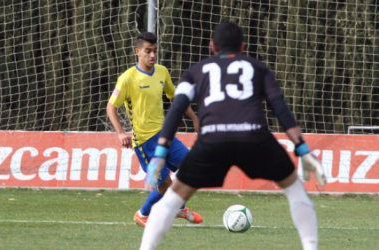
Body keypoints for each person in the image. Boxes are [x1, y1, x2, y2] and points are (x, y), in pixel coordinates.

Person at [139, 22, 326, 250]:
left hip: (212, 141)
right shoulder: (258, 68)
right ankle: (310, 246)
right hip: (255, 138)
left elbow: (177, 109)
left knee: (171, 199)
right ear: (242, 46)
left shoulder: (196, 71)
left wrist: (159, 154)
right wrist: (302, 148)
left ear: (212, 46)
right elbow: (280, 107)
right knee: (295, 190)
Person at [106, 32, 203, 227]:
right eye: (147, 51)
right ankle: (142, 214)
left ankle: (178, 208)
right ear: (137, 52)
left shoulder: (161, 72)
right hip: (145, 142)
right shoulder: (127, 78)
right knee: (165, 184)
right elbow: (111, 107)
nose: (152, 55)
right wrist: (120, 132)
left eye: (155, 51)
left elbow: (176, 97)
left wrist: (194, 118)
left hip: (165, 135)